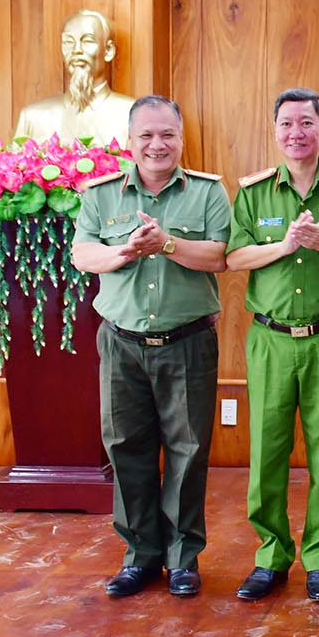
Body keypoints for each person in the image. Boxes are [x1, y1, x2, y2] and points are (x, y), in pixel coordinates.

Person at [71, 95, 231, 599]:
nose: (157, 145)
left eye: (167, 135)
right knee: (126, 449)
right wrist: (124, 251)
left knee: (188, 452)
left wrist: (166, 244)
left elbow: (220, 256)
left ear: (181, 139)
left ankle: (183, 559)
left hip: (187, 342)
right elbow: (82, 253)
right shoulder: (100, 195)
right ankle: (140, 556)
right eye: (146, 136)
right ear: (129, 141)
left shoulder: (207, 193)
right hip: (122, 344)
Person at [225, 88, 319, 604]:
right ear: (275, 132)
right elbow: (234, 257)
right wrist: (285, 246)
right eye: (287, 124)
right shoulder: (254, 192)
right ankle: (270, 556)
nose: (297, 133)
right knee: (267, 449)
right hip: (269, 339)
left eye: (307, 123)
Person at [14, 9, 136, 147]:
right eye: (68, 42)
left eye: (87, 41)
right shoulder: (33, 118)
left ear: (108, 51)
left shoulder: (133, 114)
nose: (76, 50)